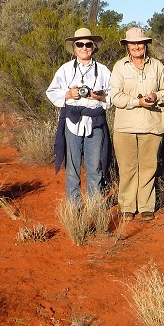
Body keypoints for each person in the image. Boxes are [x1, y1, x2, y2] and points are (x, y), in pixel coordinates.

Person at [108, 26, 164, 220]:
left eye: (140, 42)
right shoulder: (120, 66)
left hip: (152, 125)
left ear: (146, 44)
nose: (136, 46)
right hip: (125, 127)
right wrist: (138, 102)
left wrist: (156, 95)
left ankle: (146, 205)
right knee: (127, 168)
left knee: (148, 167)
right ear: (127, 46)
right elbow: (115, 97)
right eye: (132, 43)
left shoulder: (157, 66)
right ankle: (127, 206)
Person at [47, 27, 112, 202]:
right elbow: (51, 92)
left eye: (88, 44)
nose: (84, 48)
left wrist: (99, 96)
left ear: (93, 47)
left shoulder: (103, 71)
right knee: (72, 167)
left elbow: (114, 96)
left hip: (95, 122)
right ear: (74, 48)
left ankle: (94, 206)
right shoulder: (65, 69)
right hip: (72, 122)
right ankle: (74, 206)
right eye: (80, 44)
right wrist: (68, 94)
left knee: (95, 167)